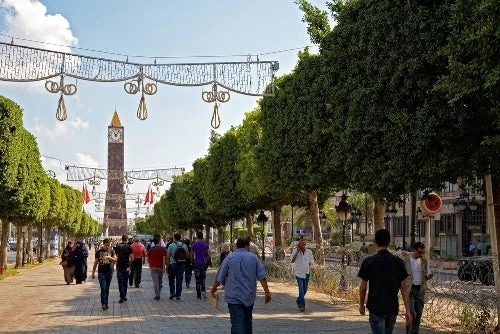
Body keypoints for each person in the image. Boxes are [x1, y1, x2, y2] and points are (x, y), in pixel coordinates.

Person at [210, 238, 271, 333]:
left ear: (237, 246)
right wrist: (267, 292)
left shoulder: (229, 258)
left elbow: (219, 277)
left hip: (233, 297)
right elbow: (262, 277)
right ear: (247, 246)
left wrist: (213, 289)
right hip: (249, 296)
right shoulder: (253, 258)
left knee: (237, 323)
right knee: (247, 322)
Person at [358, 229, 412, 334]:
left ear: (375, 241)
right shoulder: (398, 262)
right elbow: (404, 288)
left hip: (375, 306)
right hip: (391, 307)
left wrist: (361, 305)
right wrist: (408, 310)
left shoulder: (369, 261)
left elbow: (363, 288)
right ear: (389, 241)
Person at [403, 242, 433, 334]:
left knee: (419, 312)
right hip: (409, 289)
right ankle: (409, 332)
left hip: (420, 289)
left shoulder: (424, 261)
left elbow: (428, 273)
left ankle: (415, 331)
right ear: (414, 250)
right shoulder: (406, 260)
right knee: (411, 312)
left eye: (423, 253)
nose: (421, 255)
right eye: (419, 252)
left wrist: (429, 276)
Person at [290, 236, 315, 312]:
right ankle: (302, 305)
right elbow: (292, 261)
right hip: (298, 273)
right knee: (301, 289)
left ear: (305, 245)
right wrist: (297, 252)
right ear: (298, 245)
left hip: (306, 273)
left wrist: (307, 266)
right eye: (300, 244)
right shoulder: (295, 251)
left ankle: (298, 300)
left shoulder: (309, 252)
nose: (302, 246)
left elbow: (312, 261)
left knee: (305, 289)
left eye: (303, 244)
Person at [91, 238, 117, 310]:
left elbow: (116, 259)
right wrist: (93, 273)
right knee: (103, 287)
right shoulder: (98, 252)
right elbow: (96, 263)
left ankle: (106, 302)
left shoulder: (111, 251)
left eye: (109, 245)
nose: (107, 246)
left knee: (107, 288)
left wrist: (109, 257)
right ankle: (104, 303)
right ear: (103, 244)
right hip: (101, 272)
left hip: (110, 271)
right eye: (106, 245)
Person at [166, 233, 189, 300]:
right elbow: (187, 255)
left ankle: (172, 293)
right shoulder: (184, 245)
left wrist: (167, 266)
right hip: (181, 264)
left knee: (171, 279)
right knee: (179, 280)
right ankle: (178, 295)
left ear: (174, 238)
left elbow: (167, 256)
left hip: (172, 264)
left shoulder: (171, 245)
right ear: (180, 238)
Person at [114, 235, 133, 303]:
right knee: (125, 282)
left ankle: (122, 296)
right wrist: (129, 264)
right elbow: (132, 257)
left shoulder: (118, 246)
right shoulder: (129, 247)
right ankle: (124, 296)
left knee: (120, 282)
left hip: (119, 266)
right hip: (126, 266)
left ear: (122, 239)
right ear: (127, 239)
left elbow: (116, 256)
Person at [192, 231, 210, 300]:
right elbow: (209, 254)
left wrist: (192, 261)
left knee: (197, 279)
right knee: (203, 278)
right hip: (203, 263)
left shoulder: (194, 245)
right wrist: (207, 260)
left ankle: (198, 295)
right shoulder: (205, 245)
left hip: (196, 263)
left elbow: (192, 254)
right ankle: (203, 291)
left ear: (196, 237)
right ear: (202, 237)